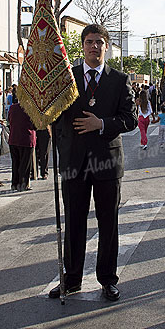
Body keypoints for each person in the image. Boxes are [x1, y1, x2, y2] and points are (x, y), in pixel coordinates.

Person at [49, 23, 137, 301]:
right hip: (74, 162)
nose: (94, 46)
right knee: (74, 221)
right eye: (89, 42)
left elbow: (131, 119)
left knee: (107, 222)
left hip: (107, 163)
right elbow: (54, 114)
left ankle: (108, 279)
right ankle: (71, 279)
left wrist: (102, 123)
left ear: (106, 46)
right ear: (83, 46)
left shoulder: (119, 80)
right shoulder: (68, 78)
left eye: (99, 42)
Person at [8, 101, 37, 190]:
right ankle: (23, 183)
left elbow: (9, 120)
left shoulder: (12, 107)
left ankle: (14, 183)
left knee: (15, 163)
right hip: (26, 138)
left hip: (13, 138)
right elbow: (35, 124)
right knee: (25, 164)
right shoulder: (31, 108)